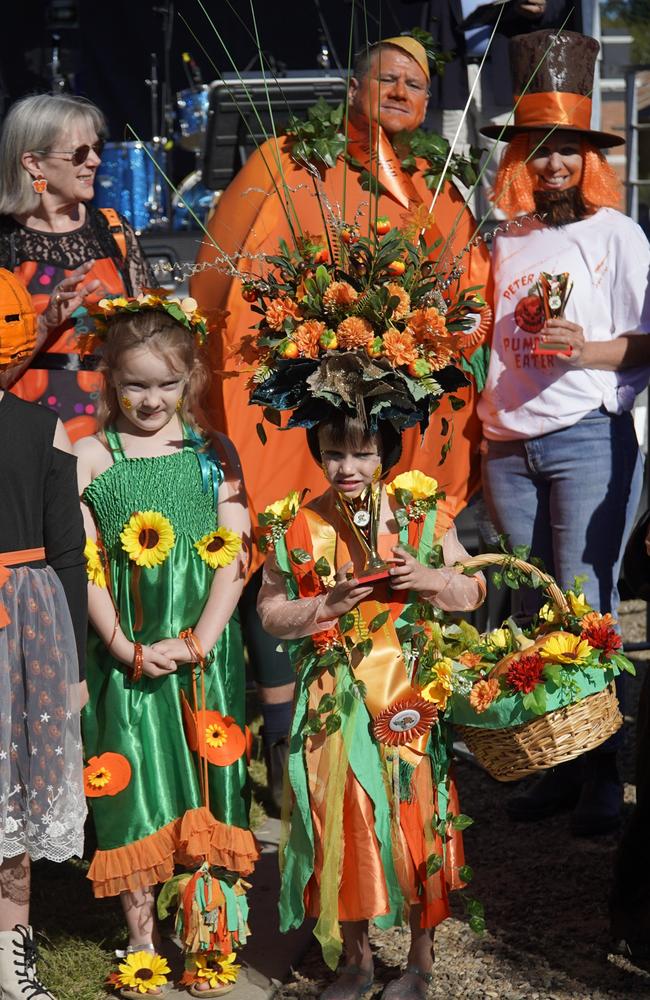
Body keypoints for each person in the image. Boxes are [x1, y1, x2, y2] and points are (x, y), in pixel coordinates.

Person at [191, 34, 492, 798]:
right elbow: (226, 272)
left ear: (429, 105)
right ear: (354, 87)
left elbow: (465, 292)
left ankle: (396, 730)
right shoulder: (289, 160)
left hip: (389, 414)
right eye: (385, 78)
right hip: (292, 406)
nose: (398, 93)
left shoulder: (434, 179)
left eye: (414, 86)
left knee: (391, 549)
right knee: (284, 546)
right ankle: (287, 742)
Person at [477, 29, 650, 835]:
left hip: (586, 434)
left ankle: (602, 776)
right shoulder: (502, 239)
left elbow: (647, 339)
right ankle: (553, 764)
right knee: (528, 605)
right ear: (520, 159)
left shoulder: (616, 235)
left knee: (586, 603)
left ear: (590, 159)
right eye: (538, 151)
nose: (552, 166)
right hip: (506, 442)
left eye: (567, 152)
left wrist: (585, 348)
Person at [257, 410, 485, 999]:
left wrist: (430, 578)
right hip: (334, 699)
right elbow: (270, 612)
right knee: (344, 819)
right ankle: (356, 962)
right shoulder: (299, 525)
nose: (347, 468)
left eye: (361, 453)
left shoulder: (420, 512)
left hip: (407, 691)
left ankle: (420, 961)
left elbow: (471, 589)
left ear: (386, 448)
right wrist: (323, 608)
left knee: (416, 818)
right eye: (334, 453)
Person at [74, 294, 257, 995]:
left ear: (191, 382)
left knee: (206, 786)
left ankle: (207, 939)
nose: (151, 400)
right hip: (128, 656)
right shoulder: (91, 455)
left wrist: (203, 638)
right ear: (110, 380)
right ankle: (142, 941)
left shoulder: (215, 453)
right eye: (135, 385)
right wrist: (124, 647)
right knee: (134, 789)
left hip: (202, 657)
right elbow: (84, 561)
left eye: (166, 384)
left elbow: (234, 550)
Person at [0, 269, 87, 1000]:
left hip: (22, 638)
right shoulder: (43, 426)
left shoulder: (40, 430)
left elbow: (66, 556)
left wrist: (74, 668)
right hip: (24, 627)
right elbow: (66, 558)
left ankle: (10, 966)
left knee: (16, 805)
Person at [0, 93, 152, 442]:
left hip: (114, 432)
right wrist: (46, 323)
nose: (96, 161)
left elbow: (154, 341)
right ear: (34, 164)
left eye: (97, 147)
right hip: (30, 437)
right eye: (79, 153)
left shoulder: (114, 231)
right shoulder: (6, 243)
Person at [405, 0, 580, 218]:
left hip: (503, 73)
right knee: (450, 159)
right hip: (448, 75)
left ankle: (507, 236)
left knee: (502, 159)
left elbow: (560, 9)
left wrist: (540, 9)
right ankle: (456, 236)